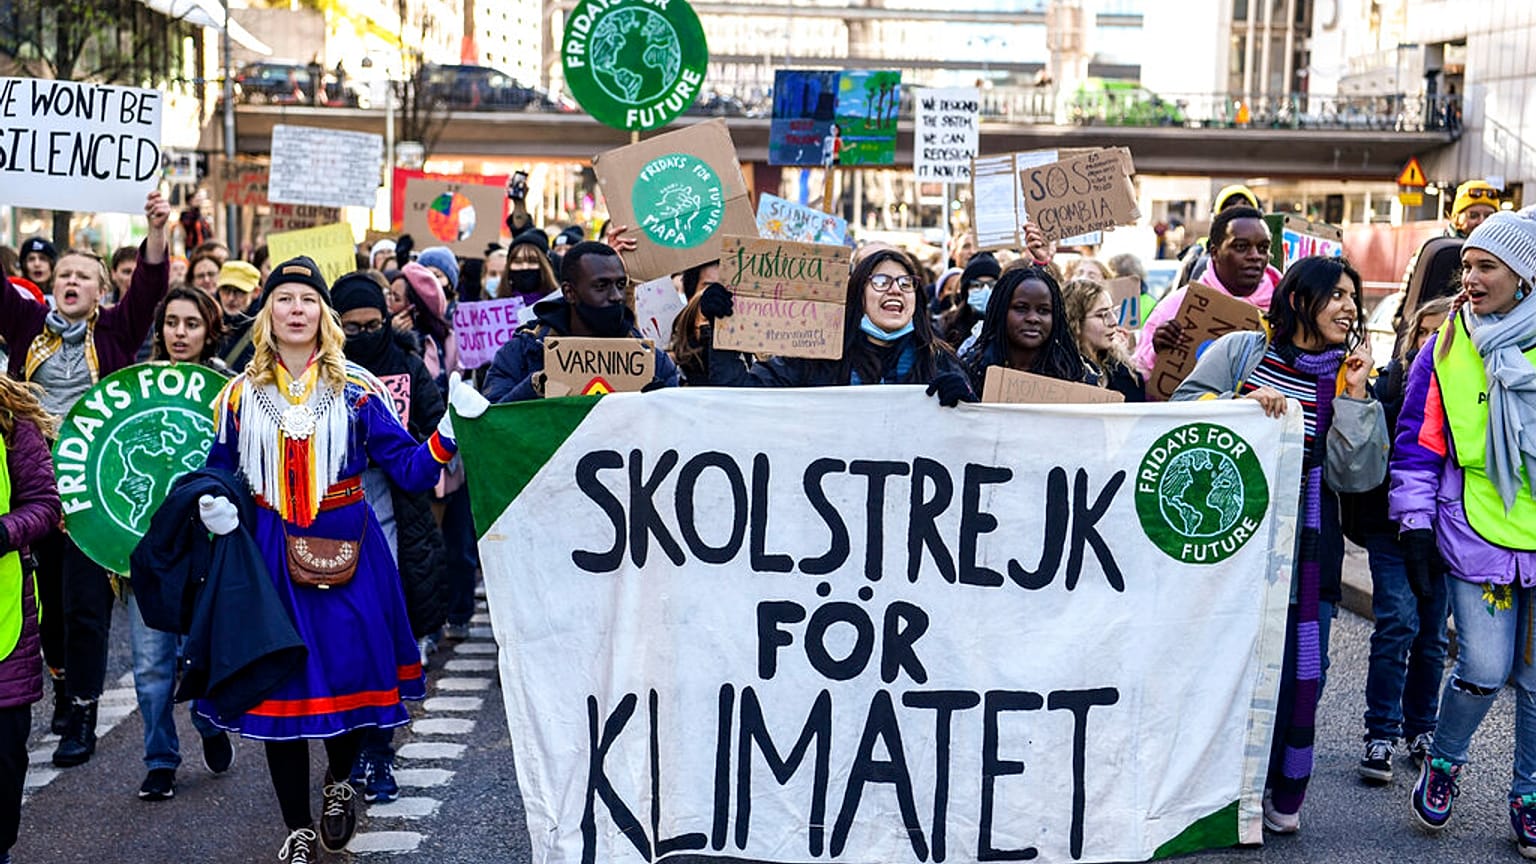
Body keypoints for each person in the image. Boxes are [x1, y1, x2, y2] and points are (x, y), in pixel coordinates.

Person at [195, 255, 481, 862]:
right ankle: (297, 827)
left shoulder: (357, 391)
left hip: (351, 553)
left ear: (323, 314)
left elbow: (408, 467)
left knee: (354, 679)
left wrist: (451, 431)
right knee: (281, 687)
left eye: (306, 300)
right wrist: (214, 499)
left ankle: (340, 781)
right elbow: (219, 468)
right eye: (283, 300)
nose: (295, 310)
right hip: (271, 555)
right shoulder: (240, 397)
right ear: (267, 314)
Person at [1173, 255, 1387, 834]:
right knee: (1228, 667)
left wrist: (1357, 394)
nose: (1349, 307)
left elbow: (1357, 475)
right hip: (1231, 549)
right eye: (1337, 295)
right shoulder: (1243, 353)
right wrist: (1243, 410)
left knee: (1301, 671)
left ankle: (1277, 786)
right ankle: (1218, 789)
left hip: (1310, 554)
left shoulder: (1351, 373)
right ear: (1298, 301)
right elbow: (1175, 413)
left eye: (1354, 297)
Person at [0, 191, 171, 768]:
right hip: (34, 486)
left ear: (102, 291)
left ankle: (84, 711)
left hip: (92, 489)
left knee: (85, 603)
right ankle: (60, 679)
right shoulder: (25, 323)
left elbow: (149, 289)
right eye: (64, 275)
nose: (71, 282)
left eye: (83, 276)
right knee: (46, 604)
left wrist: (155, 231)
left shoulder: (118, 332)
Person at [1391, 209, 1536, 855]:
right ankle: (1445, 762)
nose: (1470, 279)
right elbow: (1417, 447)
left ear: (1525, 277)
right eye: (1467, 267)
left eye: (1486, 267)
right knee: (1481, 667)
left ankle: (1529, 795)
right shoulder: (1443, 347)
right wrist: (1416, 522)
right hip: (1476, 532)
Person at [333, 271, 449, 806]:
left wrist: (421, 447)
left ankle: (378, 750)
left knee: (381, 640)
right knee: (340, 648)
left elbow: (430, 422)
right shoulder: (319, 381)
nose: (363, 334)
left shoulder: (405, 364)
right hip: (328, 524)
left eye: (373, 325)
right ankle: (345, 750)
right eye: (350, 327)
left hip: (396, 521)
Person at [128, 284, 233, 802]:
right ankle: (160, 759)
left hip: (207, 556)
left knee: (203, 661)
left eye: (190, 323)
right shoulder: (128, 388)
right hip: (147, 552)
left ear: (208, 329)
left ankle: (208, 722)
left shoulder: (232, 391)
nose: (179, 333)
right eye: (171, 322)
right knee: (150, 668)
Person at [1348, 296, 1454, 786]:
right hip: (1390, 531)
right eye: (1423, 333)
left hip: (1447, 535)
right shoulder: (1387, 385)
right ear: (1410, 338)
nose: (1431, 342)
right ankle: (1381, 733)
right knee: (1396, 623)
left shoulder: (1466, 387)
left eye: (1443, 332)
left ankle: (1422, 730)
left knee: (1432, 637)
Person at [700, 246, 974, 406]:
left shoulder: (939, 361)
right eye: (880, 282)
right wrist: (723, 328)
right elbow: (739, 395)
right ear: (857, 295)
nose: (895, 290)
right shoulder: (816, 357)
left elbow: (979, 442)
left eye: (905, 284)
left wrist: (965, 406)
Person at [0, 372, 62, 864]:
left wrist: (4, 533)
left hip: (4, 624)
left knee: (4, 761)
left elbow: (44, 504)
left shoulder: (11, 420)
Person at [1136, 206, 1280, 382]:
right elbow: (1138, 380)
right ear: (1215, 253)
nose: (1255, 256)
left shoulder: (1287, 309)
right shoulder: (1174, 308)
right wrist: (1156, 353)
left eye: (1263, 248)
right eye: (1241, 247)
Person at [959, 264, 1085, 390]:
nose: (1033, 318)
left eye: (1043, 310)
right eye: (1021, 308)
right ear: (1001, 311)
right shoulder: (971, 371)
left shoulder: (1074, 372)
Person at [1061, 278, 1146, 401]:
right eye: (1102, 315)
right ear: (1075, 322)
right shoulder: (1057, 373)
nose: (1114, 322)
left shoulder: (1125, 372)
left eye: (1113, 311)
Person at [392, 262, 459, 389]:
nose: (387, 302)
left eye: (395, 298)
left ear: (413, 309)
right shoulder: (385, 333)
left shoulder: (448, 341)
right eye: (388, 294)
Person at [938, 253, 1000, 349]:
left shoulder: (1007, 326)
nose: (985, 290)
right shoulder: (947, 326)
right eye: (976, 285)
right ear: (966, 290)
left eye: (991, 285)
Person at [499, 230, 559, 306]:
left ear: (545, 265)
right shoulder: (494, 306)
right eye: (517, 262)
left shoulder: (561, 305)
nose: (525, 267)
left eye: (532, 261)